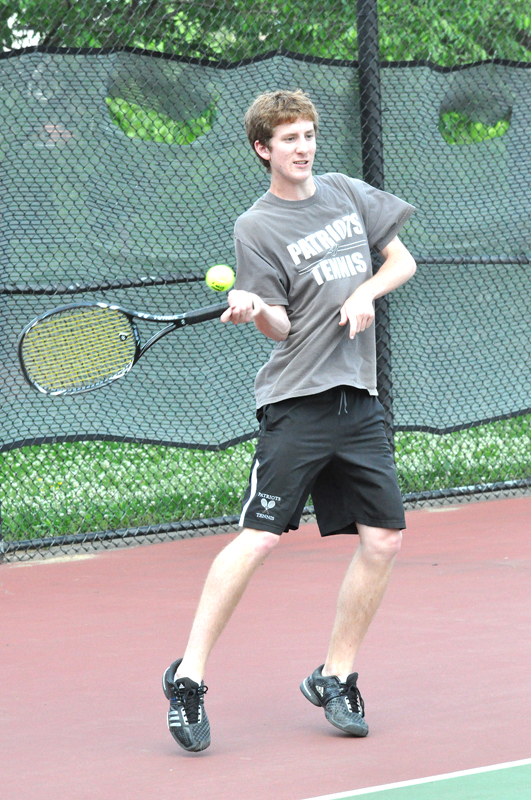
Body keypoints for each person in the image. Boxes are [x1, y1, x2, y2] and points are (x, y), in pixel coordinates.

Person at [162, 89, 416, 752]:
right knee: (258, 539)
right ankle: (187, 677)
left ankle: (336, 674)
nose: (303, 147)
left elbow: (402, 260)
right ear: (262, 149)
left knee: (385, 538)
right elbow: (278, 329)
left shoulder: (345, 193)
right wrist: (253, 307)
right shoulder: (257, 227)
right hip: (296, 403)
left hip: (357, 400)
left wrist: (364, 291)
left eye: (307, 134)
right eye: (288, 138)